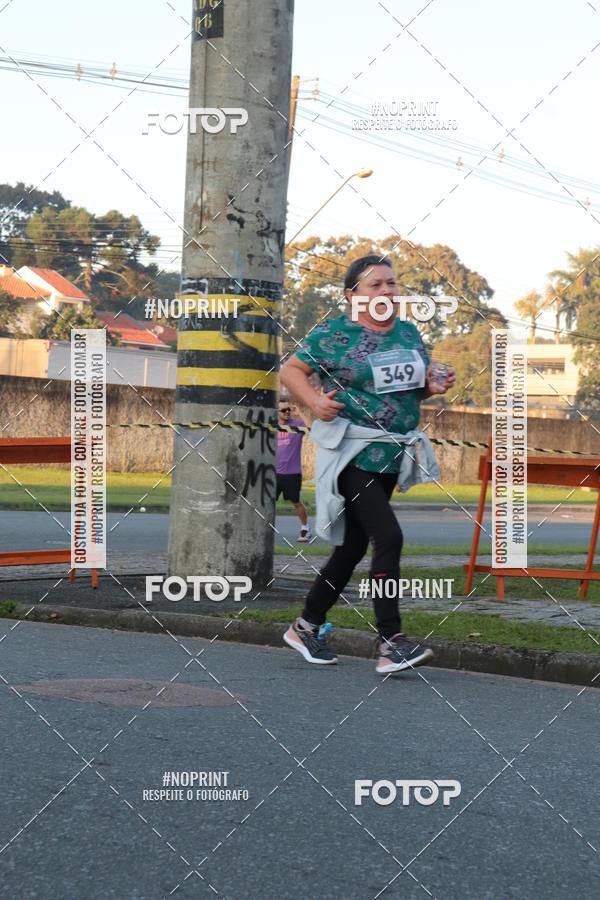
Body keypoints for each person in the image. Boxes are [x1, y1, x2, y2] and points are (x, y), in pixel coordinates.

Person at [279, 254, 455, 674]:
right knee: (388, 536)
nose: (387, 291)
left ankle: (305, 626)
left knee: (352, 548)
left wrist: (432, 386)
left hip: (391, 454)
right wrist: (315, 401)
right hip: (351, 453)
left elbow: (412, 392)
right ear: (352, 295)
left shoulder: (409, 333)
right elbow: (291, 371)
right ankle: (391, 641)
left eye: (392, 283)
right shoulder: (333, 334)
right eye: (375, 284)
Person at [276, 397, 312, 542]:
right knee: (266, 503)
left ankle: (305, 529)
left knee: (296, 502)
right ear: (276, 412)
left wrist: (300, 413)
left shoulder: (297, 426)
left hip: (292, 473)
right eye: (283, 410)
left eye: (289, 409)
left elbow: (311, 427)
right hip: (274, 474)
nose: (287, 412)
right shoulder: (272, 427)